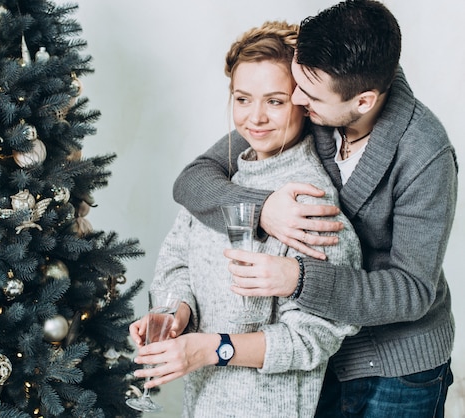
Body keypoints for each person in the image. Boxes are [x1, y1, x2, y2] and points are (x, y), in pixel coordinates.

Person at [172, 1, 457, 417]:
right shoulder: (313, 104)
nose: (296, 97)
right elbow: (194, 179)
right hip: (318, 358)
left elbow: (412, 292)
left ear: (363, 101)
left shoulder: (425, 154)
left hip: (399, 365)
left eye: (308, 93)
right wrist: (263, 208)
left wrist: (299, 279)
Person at [130, 21, 362, 417]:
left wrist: (210, 349)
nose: (255, 117)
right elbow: (178, 261)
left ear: (303, 103)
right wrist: (176, 314)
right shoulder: (220, 181)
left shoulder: (310, 202)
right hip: (203, 403)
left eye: (275, 101)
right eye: (242, 98)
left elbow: (312, 338)